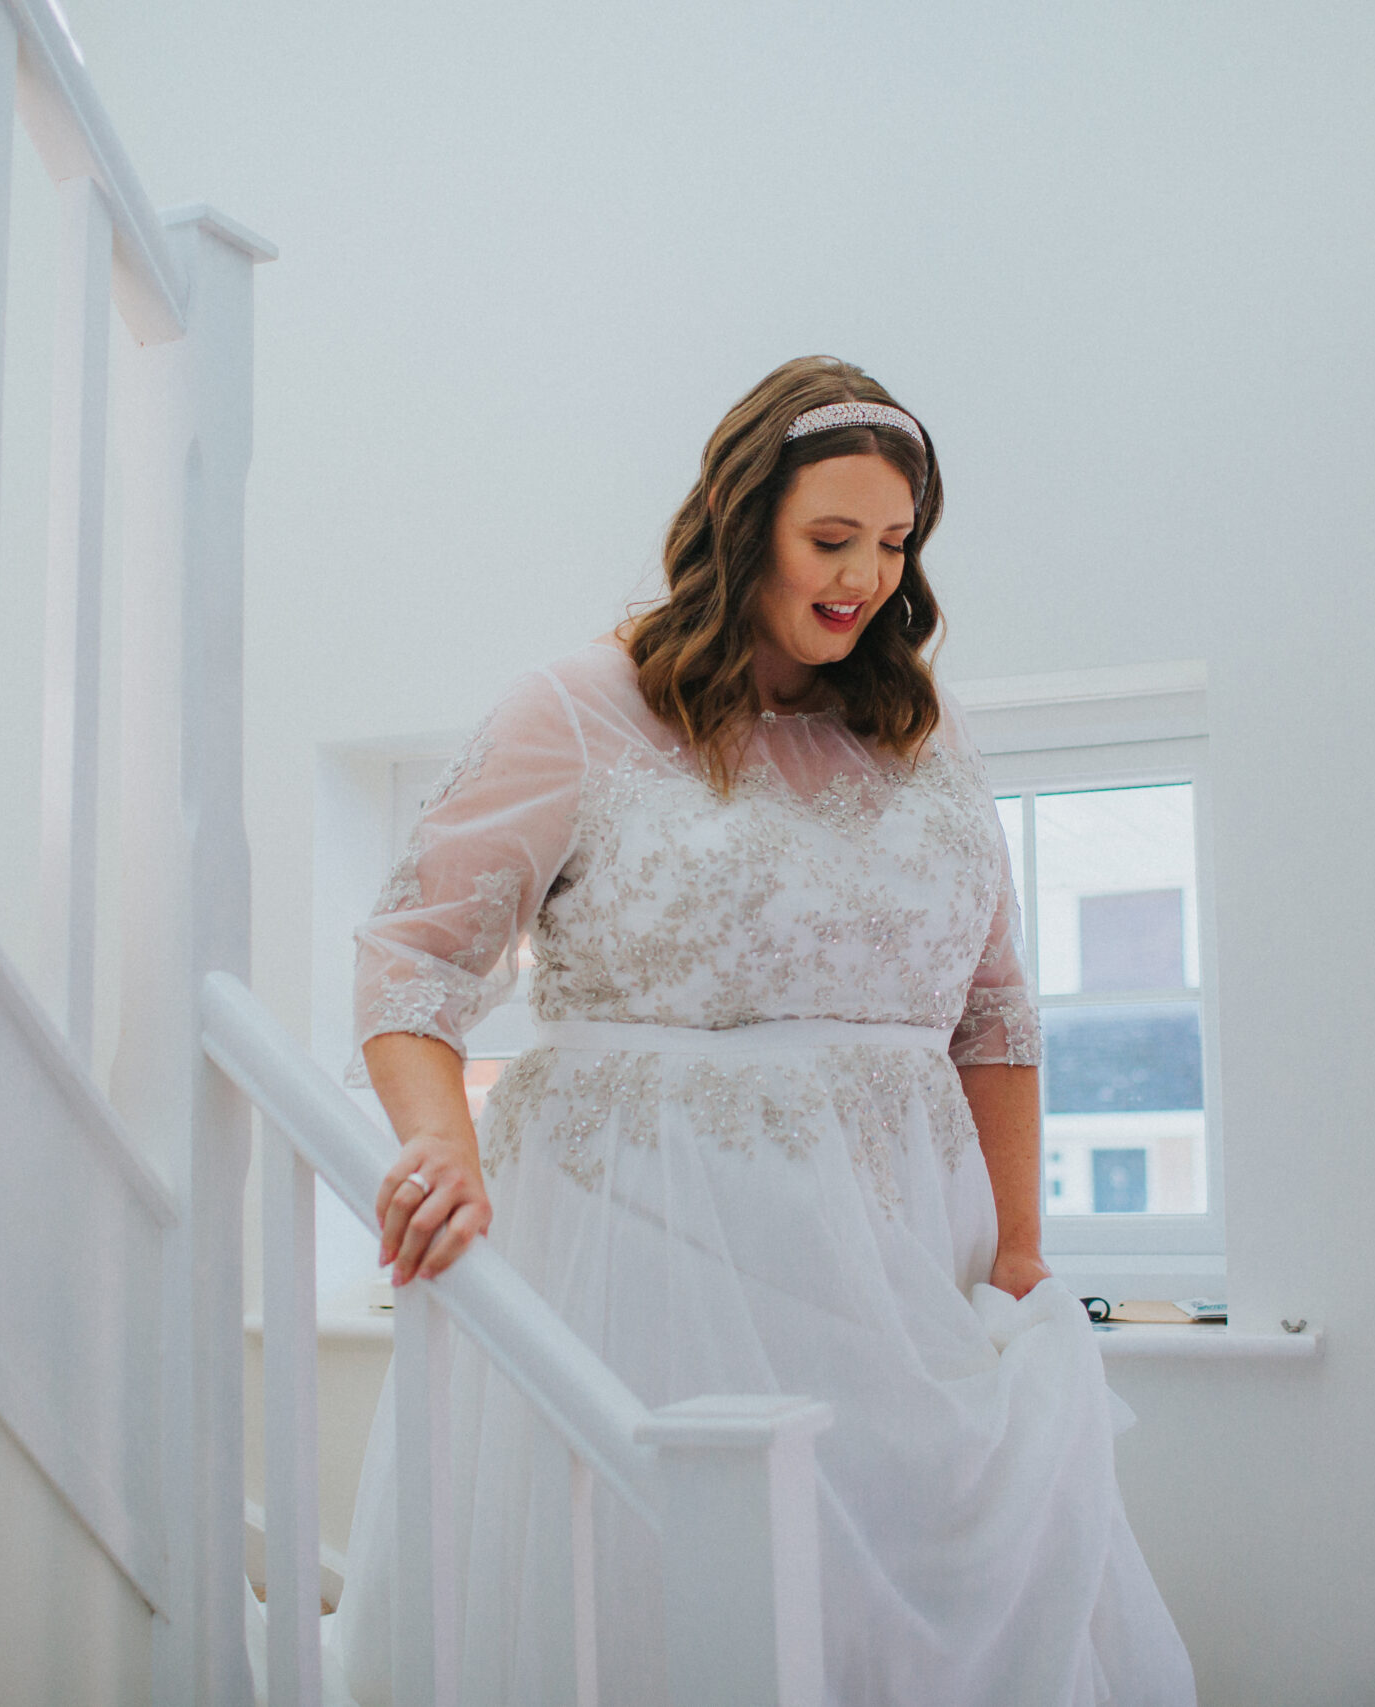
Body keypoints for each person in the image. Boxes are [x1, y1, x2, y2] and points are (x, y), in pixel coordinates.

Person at [334, 355, 1197, 1705]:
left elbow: (996, 1013)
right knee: (683, 1610)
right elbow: (411, 964)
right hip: (650, 1251)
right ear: (745, 528)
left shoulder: (921, 730)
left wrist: (1020, 1248)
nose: (864, 577)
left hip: (915, 1248)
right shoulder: (576, 710)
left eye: (895, 543)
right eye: (830, 538)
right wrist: (441, 1144)